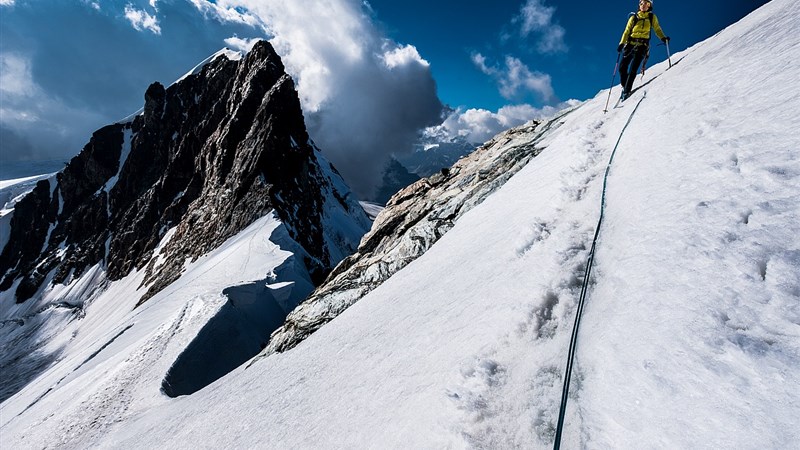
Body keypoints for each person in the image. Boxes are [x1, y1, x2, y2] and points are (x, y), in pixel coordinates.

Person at [617, 0, 669, 99]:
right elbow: (626, 31)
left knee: (633, 69)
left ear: (649, 6)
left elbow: (657, 29)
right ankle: (625, 86)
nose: (643, 5)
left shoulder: (651, 17)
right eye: (641, 3)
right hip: (630, 45)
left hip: (642, 46)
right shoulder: (634, 17)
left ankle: (626, 91)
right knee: (622, 68)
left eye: (646, 3)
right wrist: (621, 43)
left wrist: (663, 37)